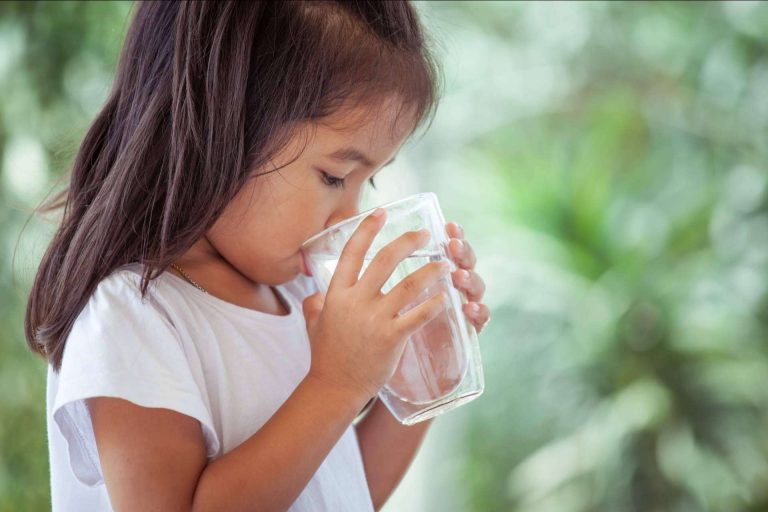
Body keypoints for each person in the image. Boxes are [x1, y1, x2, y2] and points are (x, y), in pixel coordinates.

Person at [24, 1, 491, 511]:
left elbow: (341, 491)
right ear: (218, 125)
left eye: (369, 179)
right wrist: (337, 384)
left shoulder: (299, 293)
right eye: (335, 176)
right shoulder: (135, 315)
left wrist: (431, 373)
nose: (348, 216)